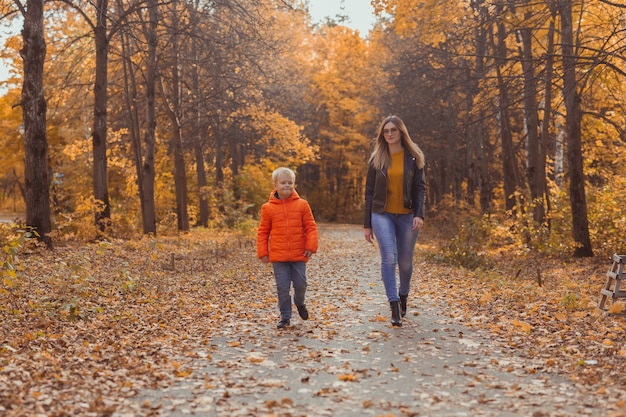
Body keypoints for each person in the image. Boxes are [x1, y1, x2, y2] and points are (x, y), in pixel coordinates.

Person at [364, 115, 426, 327]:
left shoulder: (413, 157)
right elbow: (369, 192)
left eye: (393, 130)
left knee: (405, 263)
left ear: (401, 132)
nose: (389, 134)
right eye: (386, 131)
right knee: (389, 258)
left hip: (407, 215)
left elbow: (420, 188)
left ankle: (403, 295)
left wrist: (419, 214)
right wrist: (367, 224)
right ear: (382, 134)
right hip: (382, 215)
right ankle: (393, 305)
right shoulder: (376, 159)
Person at [257, 167, 319, 329]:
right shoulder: (268, 208)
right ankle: (285, 317)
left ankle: (300, 302)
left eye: (290, 183)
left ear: (294, 184)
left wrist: (310, 246)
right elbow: (263, 232)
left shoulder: (302, 205)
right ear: (275, 185)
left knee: (301, 284)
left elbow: (311, 227)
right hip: (278, 257)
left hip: (299, 254)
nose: (287, 186)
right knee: (282, 288)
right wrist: (263, 252)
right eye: (283, 183)